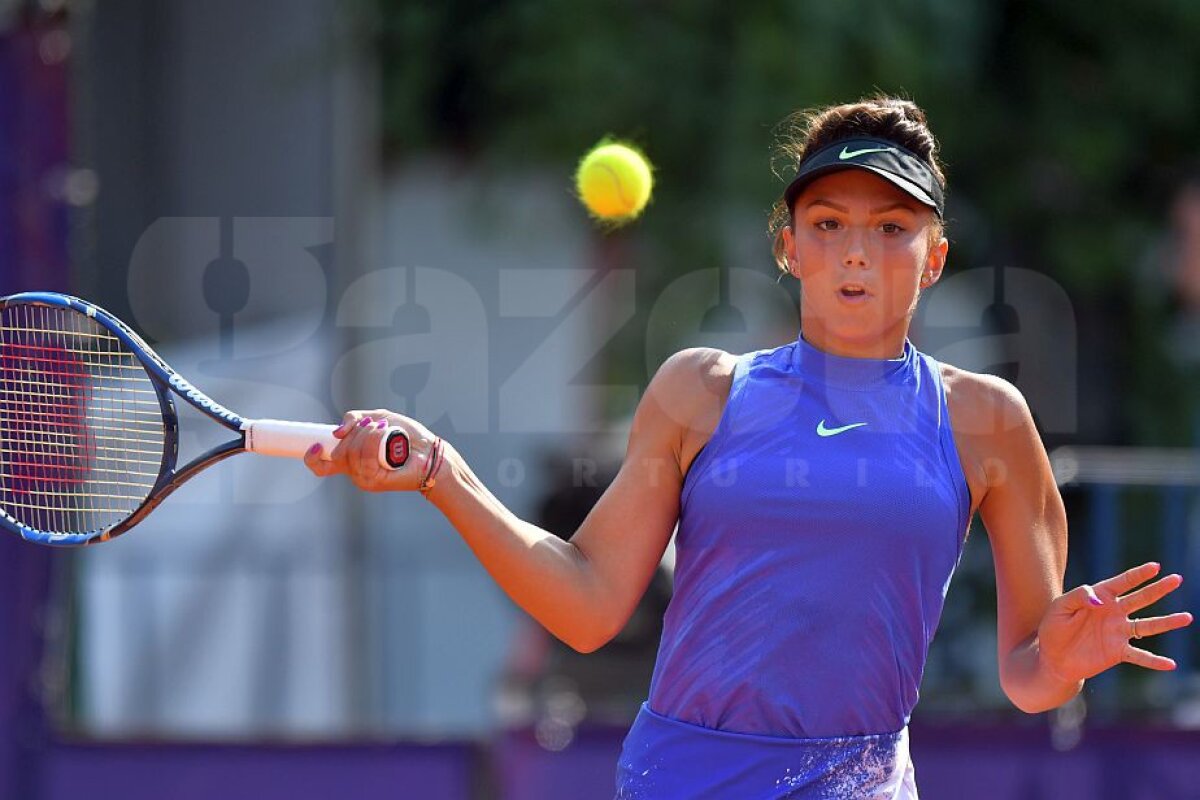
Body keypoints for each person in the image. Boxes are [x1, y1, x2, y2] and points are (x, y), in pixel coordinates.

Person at [304, 96, 1194, 799]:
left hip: (860, 786)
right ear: (789, 249)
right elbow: (587, 606)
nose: (858, 252)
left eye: (892, 228)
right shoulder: (702, 390)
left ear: (934, 256)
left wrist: (1067, 664)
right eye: (829, 224)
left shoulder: (988, 419)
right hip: (681, 781)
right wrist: (440, 473)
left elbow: (1030, 676)